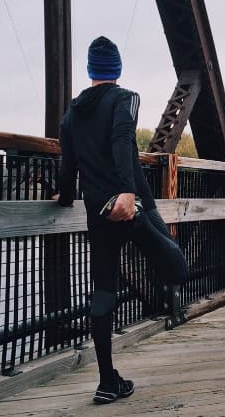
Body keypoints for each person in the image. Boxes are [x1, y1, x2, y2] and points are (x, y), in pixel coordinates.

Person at [53, 36, 189, 405]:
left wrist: (64, 197)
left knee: (104, 292)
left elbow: (68, 166)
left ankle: (106, 381)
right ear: (116, 69)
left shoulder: (70, 114)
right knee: (177, 269)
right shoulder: (126, 98)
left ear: (90, 70)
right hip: (132, 204)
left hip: (98, 212)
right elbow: (121, 138)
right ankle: (140, 224)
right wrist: (129, 195)